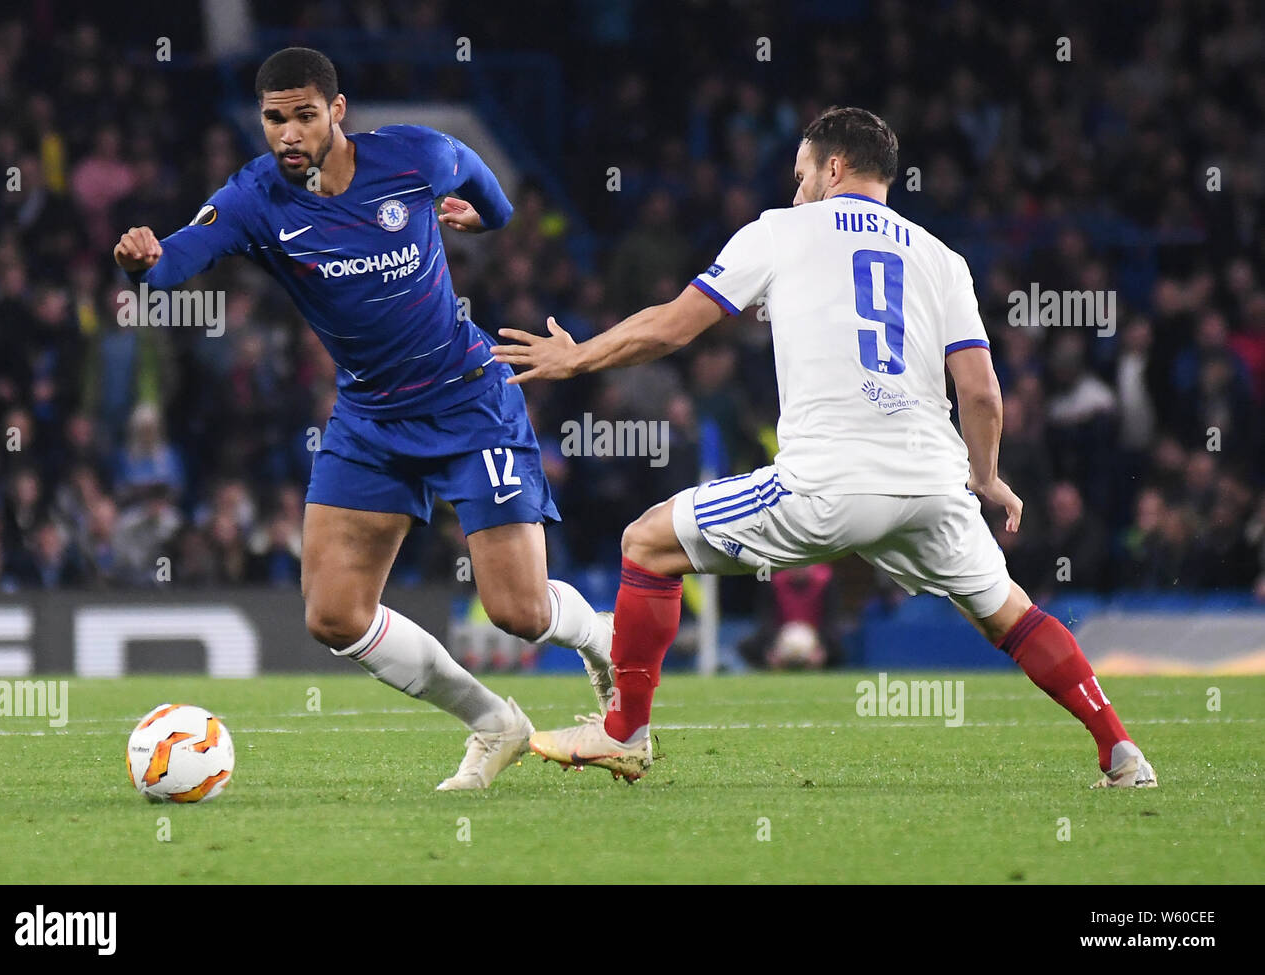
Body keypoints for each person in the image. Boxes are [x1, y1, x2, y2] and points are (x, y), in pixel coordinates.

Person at [494, 106, 1156, 789]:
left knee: (645, 542)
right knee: (1013, 614)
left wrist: (578, 359)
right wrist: (984, 476)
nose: (796, 188)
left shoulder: (780, 231)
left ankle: (624, 730)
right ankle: (1121, 750)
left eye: (802, 173)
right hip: (933, 486)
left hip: (827, 484)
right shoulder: (942, 257)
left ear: (832, 167)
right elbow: (982, 392)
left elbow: (671, 327)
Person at [112, 47, 612, 790]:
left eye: (304, 116)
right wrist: (144, 262)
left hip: (469, 403)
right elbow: (181, 258)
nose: (288, 134)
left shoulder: (413, 156)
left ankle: (606, 644)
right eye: (274, 118)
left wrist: (487, 218)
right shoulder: (256, 199)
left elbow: (485, 182)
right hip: (371, 421)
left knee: (519, 610)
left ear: (336, 113)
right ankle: (491, 721)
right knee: (336, 614)